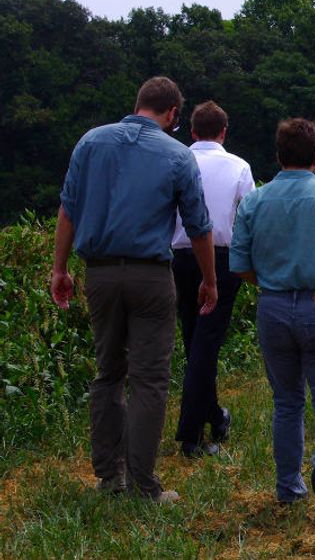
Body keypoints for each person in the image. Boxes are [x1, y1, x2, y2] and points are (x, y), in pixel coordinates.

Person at [51, 76, 216, 503]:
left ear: (138, 102)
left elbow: (68, 209)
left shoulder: (90, 143)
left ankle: (110, 477)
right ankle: (145, 486)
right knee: (150, 380)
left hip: (99, 274)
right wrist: (209, 281)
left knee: (108, 374)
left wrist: (59, 269)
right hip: (149, 276)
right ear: (174, 115)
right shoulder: (177, 155)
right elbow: (199, 228)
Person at [230, 118, 315, 525]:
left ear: (278, 156)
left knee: (287, 401)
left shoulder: (255, 202)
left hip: (273, 307)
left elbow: (239, 265)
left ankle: (288, 487)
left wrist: (271, 285)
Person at [171, 101, 254, 458]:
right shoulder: (239, 166)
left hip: (175, 256)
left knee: (194, 339)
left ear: (192, 131)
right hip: (221, 256)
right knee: (206, 343)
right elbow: (248, 217)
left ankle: (215, 417)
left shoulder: (174, 159)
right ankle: (191, 435)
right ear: (223, 132)